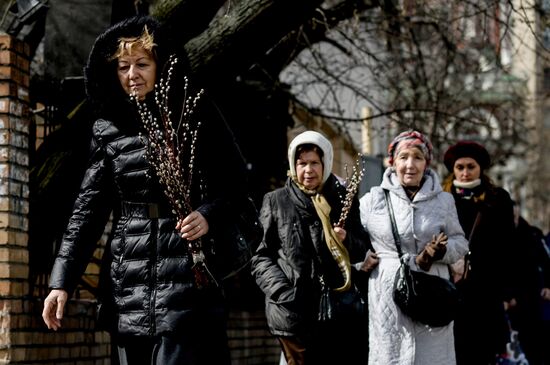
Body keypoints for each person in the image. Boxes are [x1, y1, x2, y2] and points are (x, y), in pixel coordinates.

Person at [41, 16, 254, 365]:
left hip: (186, 274)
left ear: (161, 66)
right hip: (129, 283)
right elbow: (87, 212)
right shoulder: (106, 128)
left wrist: (207, 214)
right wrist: (60, 283)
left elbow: (236, 182)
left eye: (142, 64)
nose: (132, 75)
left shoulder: (194, 112)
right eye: (123, 66)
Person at [251, 130, 377, 365]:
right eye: (302, 163)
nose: (308, 170)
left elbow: (363, 248)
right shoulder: (276, 200)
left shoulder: (342, 199)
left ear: (325, 163)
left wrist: (346, 239)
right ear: (293, 165)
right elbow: (260, 256)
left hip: (338, 312)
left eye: (314, 163)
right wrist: (283, 292)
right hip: (293, 313)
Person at [359, 130, 468, 365]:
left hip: (432, 292)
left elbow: (460, 243)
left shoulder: (443, 201)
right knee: (391, 356)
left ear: (426, 163)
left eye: (418, 157)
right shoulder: (372, 200)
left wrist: (442, 252)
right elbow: (353, 242)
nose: (410, 164)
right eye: (403, 157)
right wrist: (363, 260)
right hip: (387, 292)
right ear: (392, 162)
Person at [442, 140, 517, 365]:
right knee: (452, 351)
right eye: (460, 167)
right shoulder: (443, 198)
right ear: (453, 169)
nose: (465, 173)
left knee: (483, 352)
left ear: (480, 169)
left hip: (487, 289)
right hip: (451, 286)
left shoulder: (498, 198)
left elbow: (509, 246)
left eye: (470, 167)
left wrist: (507, 292)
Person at [506, 203, 550, 365]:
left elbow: (546, 261)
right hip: (512, 301)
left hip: (534, 297)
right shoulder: (497, 236)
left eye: (515, 216)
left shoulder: (532, 234)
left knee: (538, 343)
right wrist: (507, 297)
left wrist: (548, 285)